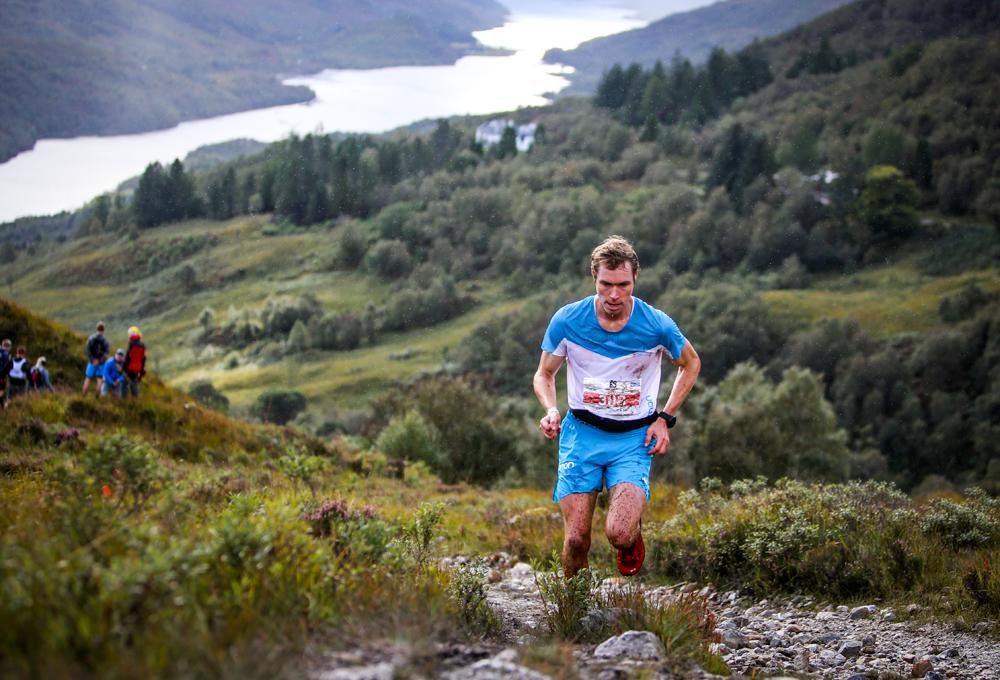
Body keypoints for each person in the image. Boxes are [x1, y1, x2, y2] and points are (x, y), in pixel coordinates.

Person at [533, 235, 701, 577]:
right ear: (593, 277)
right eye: (605, 284)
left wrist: (664, 419)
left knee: (619, 534)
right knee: (577, 538)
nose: (613, 295)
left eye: (622, 285)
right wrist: (551, 409)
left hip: (633, 439)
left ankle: (631, 538)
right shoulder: (567, 320)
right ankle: (574, 609)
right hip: (581, 434)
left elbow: (691, 363)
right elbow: (544, 374)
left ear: (635, 279)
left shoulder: (656, 325)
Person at [83, 322, 110, 395]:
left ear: (97, 328)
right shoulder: (105, 340)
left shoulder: (91, 338)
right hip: (101, 363)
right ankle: (97, 396)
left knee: (88, 378)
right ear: (103, 330)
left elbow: (87, 350)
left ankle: (83, 395)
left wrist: (92, 359)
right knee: (99, 379)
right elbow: (106, 352)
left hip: (91, 362)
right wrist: (100, 360)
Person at [122, 326, 146, 398]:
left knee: (124, 383)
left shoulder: (131, 344)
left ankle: (124, 400)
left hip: (130, 367)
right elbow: (143, 358)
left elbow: (128, 357)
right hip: (137, 368)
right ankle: (135, 400)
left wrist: (124, 367)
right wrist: (141, 370)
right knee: (134, 384)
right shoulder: (142, 345)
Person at [0, 339, 11, 409]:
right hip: (1, 376)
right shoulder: (6, 354)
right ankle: (3, 407)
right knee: (1, 392)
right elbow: (7, 367)